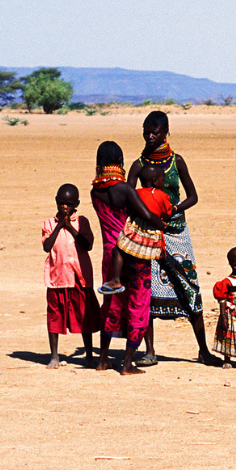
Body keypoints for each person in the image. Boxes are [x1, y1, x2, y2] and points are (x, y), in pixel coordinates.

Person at [120, 111, 219, 366]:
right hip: (147, 234)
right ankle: (149, 351)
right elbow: (126, 197)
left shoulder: (178, 162)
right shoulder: (138, 165)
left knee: (191, 288)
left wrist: (175, 209)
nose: (150, 136)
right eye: (146, 131)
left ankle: (203, 351)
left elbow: (193, 196)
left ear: (166, 133)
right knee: (146, 292)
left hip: (177, 233)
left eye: (155, 132)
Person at [90, 144, 169, 375]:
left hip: (109, 253)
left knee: (111, 304)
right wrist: (161, 224)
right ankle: (127, 364)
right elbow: (145, 214)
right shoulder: (125, 189)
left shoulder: (95, 192)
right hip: (134, 251)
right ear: (120, 161)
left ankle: (103, 360)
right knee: (138, 304)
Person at [41, 183, 100, 369]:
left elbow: (87, 245)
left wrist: (71, 228)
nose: (64, 207)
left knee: (85, 317)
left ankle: (89, 354)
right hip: (57, 278)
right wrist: (60, 226)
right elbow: (46, 246)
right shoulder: (49, 224)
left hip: (79, 278)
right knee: (54, 316)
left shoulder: (82, 222)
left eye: (68, 203)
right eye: (61, 203)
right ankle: (54, 356)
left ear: (77, 204)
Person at [100, 164, 171, 295]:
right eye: (163, 180)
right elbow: (167, 211)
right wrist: (162, 223)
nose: (164, 182)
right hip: (154, 236)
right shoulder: (163, 196)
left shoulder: (137, 193)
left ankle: (116, 279)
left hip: (137, 232)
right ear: (155, 181)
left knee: (119, 249)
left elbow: (134, 208)